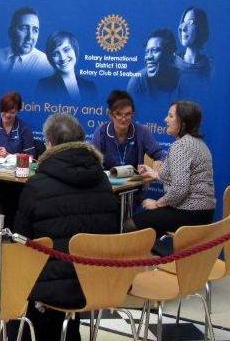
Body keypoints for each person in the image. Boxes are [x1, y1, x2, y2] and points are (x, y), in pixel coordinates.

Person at [8, 113, 120, 341]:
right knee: (66, 262)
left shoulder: (37, 185)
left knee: (24, 266)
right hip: (97, 281)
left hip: (50, 285)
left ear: (49, 143)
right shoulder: (102, 180)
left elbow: (21, 242)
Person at [124, 101, 215, 237]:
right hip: (205, 212)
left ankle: (144, 257)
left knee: (128, 225)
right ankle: (154, 255)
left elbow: (179, 188)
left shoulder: (180, 146)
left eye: (170, 116)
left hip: (188, 213)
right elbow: (179, 177)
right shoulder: (199, 143)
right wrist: (154, 174)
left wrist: (157, 204)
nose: (165, 119)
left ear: (183, 122)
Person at [0, 91, 35, 229]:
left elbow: (31, 158)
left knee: (7, 189)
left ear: (17, 111)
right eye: (4, 111)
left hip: (15, 176)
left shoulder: (24, 129)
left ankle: (9, 226)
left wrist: (8, 155)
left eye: (11, 112)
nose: (7, 115)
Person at [89, 90, 165, 170]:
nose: (123, 119)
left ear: (133, 114)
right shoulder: (101, 133)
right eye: (118, 114)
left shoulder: (142, 132)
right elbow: (91, 161)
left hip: (135, 181)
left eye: (128, 114)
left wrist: (160, 162)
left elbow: (161, 155)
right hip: (108, 181)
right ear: (110, 114)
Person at [0, 7, 53, 81]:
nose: (30, 36)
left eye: (35, 30)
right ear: (11, 32)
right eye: (24, 28)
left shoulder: (45, 65)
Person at [36, 31, 98, 103]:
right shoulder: (44, 86)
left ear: (75, 50)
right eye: (56, 53)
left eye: (66, 50)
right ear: (50, 59)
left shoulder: (90, 87)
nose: (62, 58)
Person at [127, 28, 182, 101]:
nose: (148, 57)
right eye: (147, 52)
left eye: (155, 50)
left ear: (170, 55)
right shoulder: (138, 81)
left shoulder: (182, 79)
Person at [175, 7, 212, 83]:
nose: (183, 28)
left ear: (201, 27)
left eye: (189, 23)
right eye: (183, 23)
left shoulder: (210, 66)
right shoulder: (171, 63)